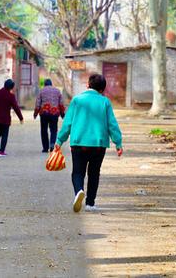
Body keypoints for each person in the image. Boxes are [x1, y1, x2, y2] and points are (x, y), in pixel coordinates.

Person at [55, 74, 123, 213]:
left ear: (87, 85)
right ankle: (90, 203)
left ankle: (79, 191)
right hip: (98, 145)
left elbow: (67, 123)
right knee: (94, 173)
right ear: (103, 89)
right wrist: (118, 142)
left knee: (78, 172)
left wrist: (59, 140)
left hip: (79, 143)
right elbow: (112, 124)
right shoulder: (105, 102)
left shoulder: (77, 100)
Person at [0, 79, 24, 156]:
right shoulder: (11, 96)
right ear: (11, 87)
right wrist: (21, 118)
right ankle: (2, 151)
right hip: (5, 119)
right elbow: (16, 107)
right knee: (4, 135)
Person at [34, 79, 65, 153]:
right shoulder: (57, 91)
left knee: (44, 130)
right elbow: (61, 103)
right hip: (54, 113)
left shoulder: (41, 91)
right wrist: (62, 113)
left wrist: (35, 113)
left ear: (45, 84)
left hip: (44, 113)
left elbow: (38, 104)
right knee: (53, 130)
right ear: (51, 84)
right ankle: (52, 145)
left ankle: (45, 148)